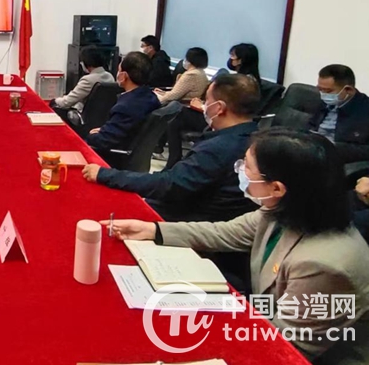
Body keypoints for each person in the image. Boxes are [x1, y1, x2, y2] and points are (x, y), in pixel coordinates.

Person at [106, 130, 369, 364]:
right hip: (261, 319)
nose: (239, 172)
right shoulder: (285, 210)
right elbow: (224, 233)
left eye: (247, 167)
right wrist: (152, 230)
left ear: (277, 188)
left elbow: (286, 348)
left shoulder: (324, 264)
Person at [84, 74, 260, 223]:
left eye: (207, 100)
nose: (204, 105)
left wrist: (105, 174)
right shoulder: (256, 138)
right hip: (199, 215)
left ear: (219, 108)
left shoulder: (218, 148)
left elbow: (168, 185)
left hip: (181, 221)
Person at [85, 52, 160, 155]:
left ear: (123, 76)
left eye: (119, 70)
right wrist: (105, 130)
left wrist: (91, 135)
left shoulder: (126, 107)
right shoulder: (150, 97)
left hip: (114, 156)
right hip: (132, 151)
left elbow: (104, 141)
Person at [310, 64, 369, 164]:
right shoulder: (324, 102)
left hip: (336, 158)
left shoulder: (365, 110)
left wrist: (333, 147)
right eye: (320, 89)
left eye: (328, 91)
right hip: (311, 149)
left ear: (348, 90)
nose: (323, 94)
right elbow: (310, 126)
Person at [50, 46, 114, 115]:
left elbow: (67, 102)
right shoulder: (110, 76)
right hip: (104, 117)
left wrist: (55, 100)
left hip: (84, 117)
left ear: (86, 62)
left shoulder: (88, 80)